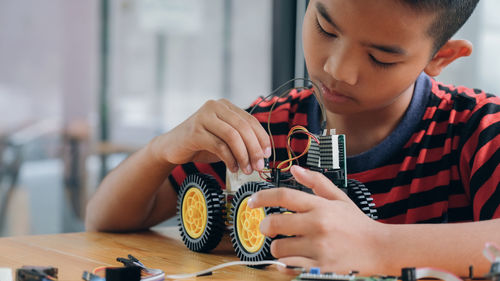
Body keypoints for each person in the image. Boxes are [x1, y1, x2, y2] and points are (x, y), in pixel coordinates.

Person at [85, 0, 500, 276]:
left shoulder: (477, 130)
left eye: (380, 57)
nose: (338, 69)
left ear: (440, 57)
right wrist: (162, 150)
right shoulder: (267, 128)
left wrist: (379, 245)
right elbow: (106, 218)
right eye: (325, 27)